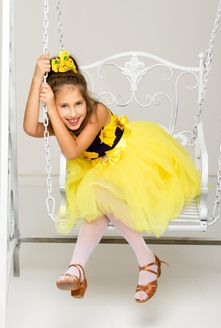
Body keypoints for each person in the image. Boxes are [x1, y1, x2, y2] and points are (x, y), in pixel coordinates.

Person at [23, 50, 201, 303]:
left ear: (87, 100)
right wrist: (36, 79)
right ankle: (84, 268)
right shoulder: (63, 118)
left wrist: (52, 108)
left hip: (135, 167)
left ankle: (136, 261)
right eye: (64, 106)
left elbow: (73, 152)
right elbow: (31, 128)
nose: (73, 113)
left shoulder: (97, 112)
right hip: (100, 175)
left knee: (98, 195)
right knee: (98, 202)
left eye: (77, 104)